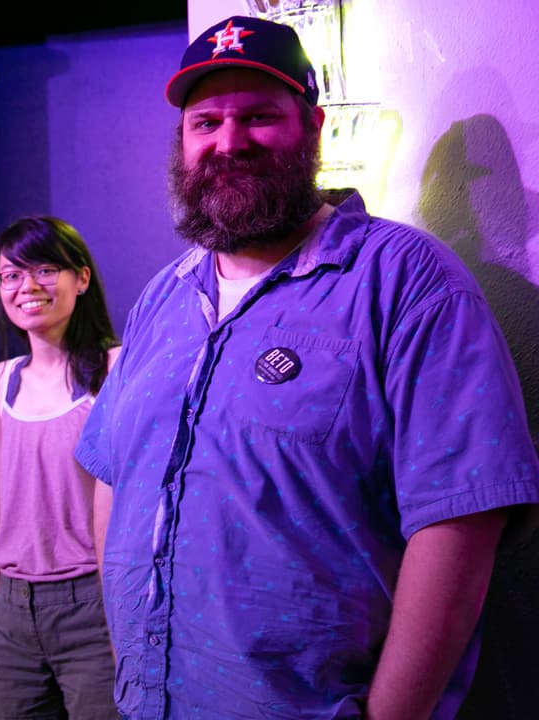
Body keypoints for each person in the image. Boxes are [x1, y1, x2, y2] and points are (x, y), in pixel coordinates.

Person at [74, 16, 539, 718]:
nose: (229, 143)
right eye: (206, 124)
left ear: (312, 127)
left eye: (259, 117)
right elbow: (114, 472)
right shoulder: (161, 298)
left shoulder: (407, 281)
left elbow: (462, 522)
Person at [0, 217, 121, 719]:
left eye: (44, 269)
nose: (27, 287)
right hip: (14, 610)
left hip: (94, 606)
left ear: (80, 279)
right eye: (11, 275)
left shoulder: (114, 370)